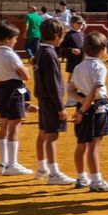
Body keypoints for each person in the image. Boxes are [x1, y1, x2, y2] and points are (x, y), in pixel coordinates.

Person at [69, 31, 108, 192]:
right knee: (94, 145)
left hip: (83, 103)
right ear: (103, 49)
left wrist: (81, 102)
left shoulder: (79, 66)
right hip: (96, 108)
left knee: (82, 143)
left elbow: (70, 89)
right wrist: (84, 109)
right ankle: (96, 180)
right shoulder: (99, 66)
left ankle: (81, 177)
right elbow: (96, 91)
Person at [34, 18, 75, 185]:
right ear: (57, 36)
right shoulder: (50, 54)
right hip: (51, 101)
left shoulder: (39, 51)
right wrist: (60, 106)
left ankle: (42, 167)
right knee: (52, 135)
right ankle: (53, 173)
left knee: (43, 132)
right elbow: (52, 83)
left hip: (43, 98)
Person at [0, 21, 33, 176]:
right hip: (14, 89)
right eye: (14, 38)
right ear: (8, 39)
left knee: (4, 126)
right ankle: (12, 164)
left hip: (2, 88)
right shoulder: (10, 54)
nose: (15, 41)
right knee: (15, 126)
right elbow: (26, 76)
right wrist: (26, 69)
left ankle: (3, 162)